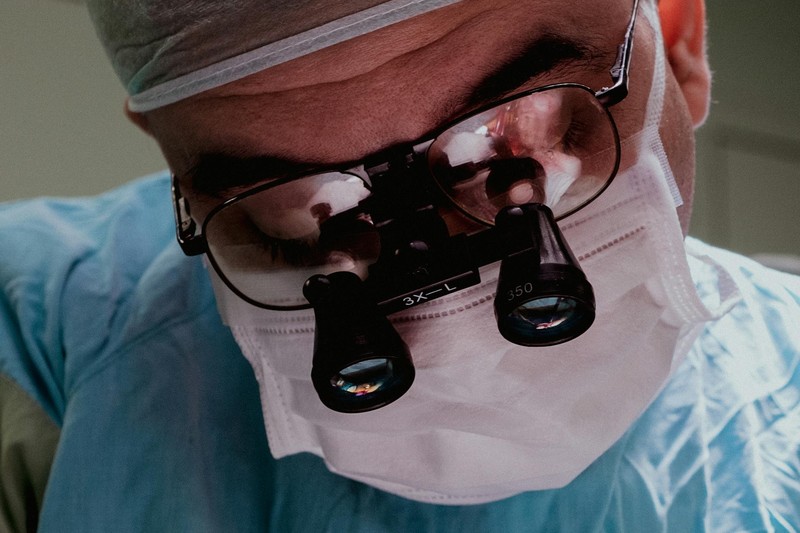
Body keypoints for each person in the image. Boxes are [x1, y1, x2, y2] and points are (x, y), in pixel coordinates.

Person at [1, 0, 798, 530]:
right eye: (301, 215)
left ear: (681, 42)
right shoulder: (40, 354)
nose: (447, 334)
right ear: (180, 168)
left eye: (518, 144)